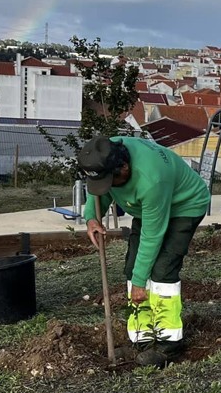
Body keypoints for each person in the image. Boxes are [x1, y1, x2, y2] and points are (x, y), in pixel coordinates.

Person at [77, 134, 211, 366]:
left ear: (124, 167)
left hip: (185, 205)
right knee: (133, 269)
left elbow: (152, 235)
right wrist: (91, 217)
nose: (107, 186)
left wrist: (141, 282)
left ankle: (169, 345)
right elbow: (97, 192)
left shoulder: (151, 179)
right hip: (147, 208)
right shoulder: (104, 153)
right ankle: (142, 338)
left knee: (162, 273)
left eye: (111, 181)